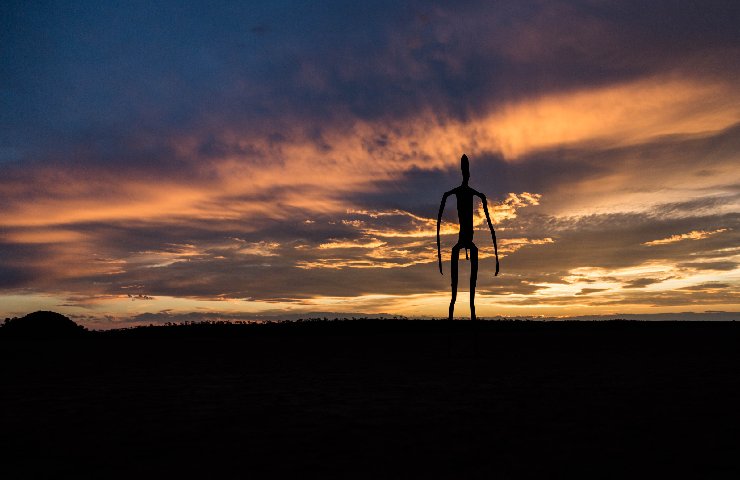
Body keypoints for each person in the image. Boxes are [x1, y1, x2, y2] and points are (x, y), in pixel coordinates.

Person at [437, 154, 499, 320]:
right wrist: (439, 256)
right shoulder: (460, 192)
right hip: (461, 240)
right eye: (465, 171)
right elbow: (441, 210)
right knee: (454, 289)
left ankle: (472, 310)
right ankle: (453, 308)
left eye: (467, 171)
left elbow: (490, 224)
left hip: (469, 241)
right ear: (464, 172)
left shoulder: (475, 194)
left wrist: (497, 257)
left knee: (472, 281)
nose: (466, 174)